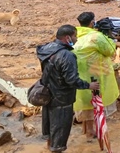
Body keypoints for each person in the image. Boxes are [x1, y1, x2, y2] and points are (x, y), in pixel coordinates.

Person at [36, 25, 99, 153]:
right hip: (62, 98)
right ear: (67, 37)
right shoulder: (66, 55)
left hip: (47, 93)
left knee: (49, 126)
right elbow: (71, 80)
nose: (76, 39)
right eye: (75, 36)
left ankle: (49, 147)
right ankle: (55, 149)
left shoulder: (46, 49)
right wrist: (88, 85)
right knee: (60, 130)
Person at [73, 12, 119, 138]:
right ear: (92, 22)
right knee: (95, 101)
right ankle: (93, 131)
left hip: (78, 74)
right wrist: (109, 38)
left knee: (84, 101)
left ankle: (86, 129)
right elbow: (110, 50)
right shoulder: (96, 37)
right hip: (95, 74)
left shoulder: (73, 34)